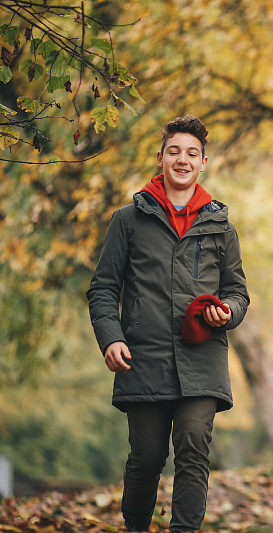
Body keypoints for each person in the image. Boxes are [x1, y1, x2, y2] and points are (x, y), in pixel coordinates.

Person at [86, 115, 249, 532]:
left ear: (204, 162)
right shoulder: (128, 220)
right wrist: (111, 339)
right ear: (160, 158)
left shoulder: (222, 227)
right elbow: (103, 287)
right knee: (146, 456)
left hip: (202, 357)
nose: (182, 160)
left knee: (194, 448)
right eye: (174, 151)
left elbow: (238, 293)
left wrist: (226, 312)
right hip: (143, 358)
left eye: (191, 154)